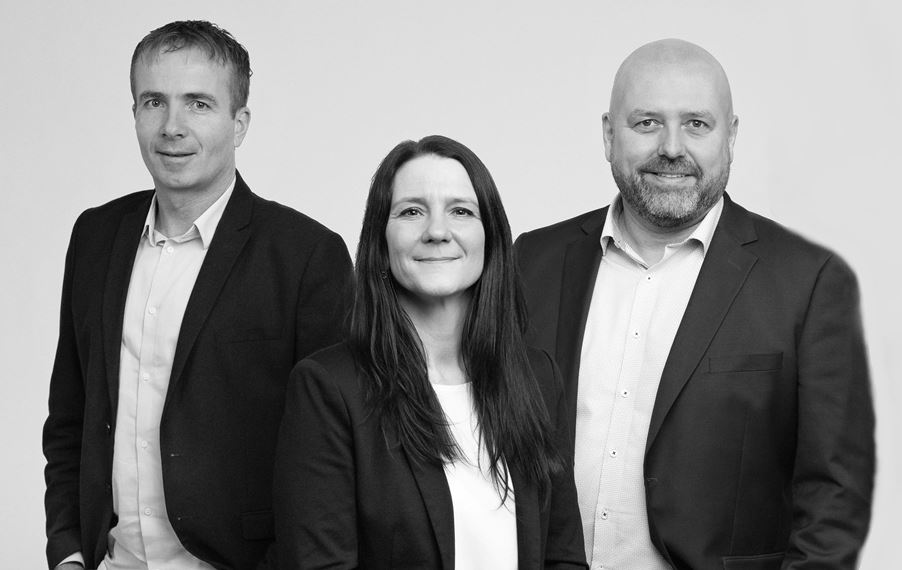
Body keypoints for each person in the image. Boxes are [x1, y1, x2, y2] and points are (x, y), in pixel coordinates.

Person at [515, 39, 874, 569]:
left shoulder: (807, 281)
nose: (671, 147)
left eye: (696, 124)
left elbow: (834, 498)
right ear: (609, 135)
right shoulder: (532, 261)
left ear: (730, 137)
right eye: (646, 123)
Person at [42, 20, 354, 570]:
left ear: (240, 124)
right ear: (134, 113)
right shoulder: (94, 237)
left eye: (199, 104)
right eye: (154, 102)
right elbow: (70, 414)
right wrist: (68, 550)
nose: (172, 127)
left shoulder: (306, 256)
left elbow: (330, 457)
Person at [273, 135, 587, 569]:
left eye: (461, 211)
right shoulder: (328, 389)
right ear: (381, 241)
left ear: (490, 238)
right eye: (411, 211)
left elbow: (563, 557)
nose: (437, 232)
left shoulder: (536, 378)